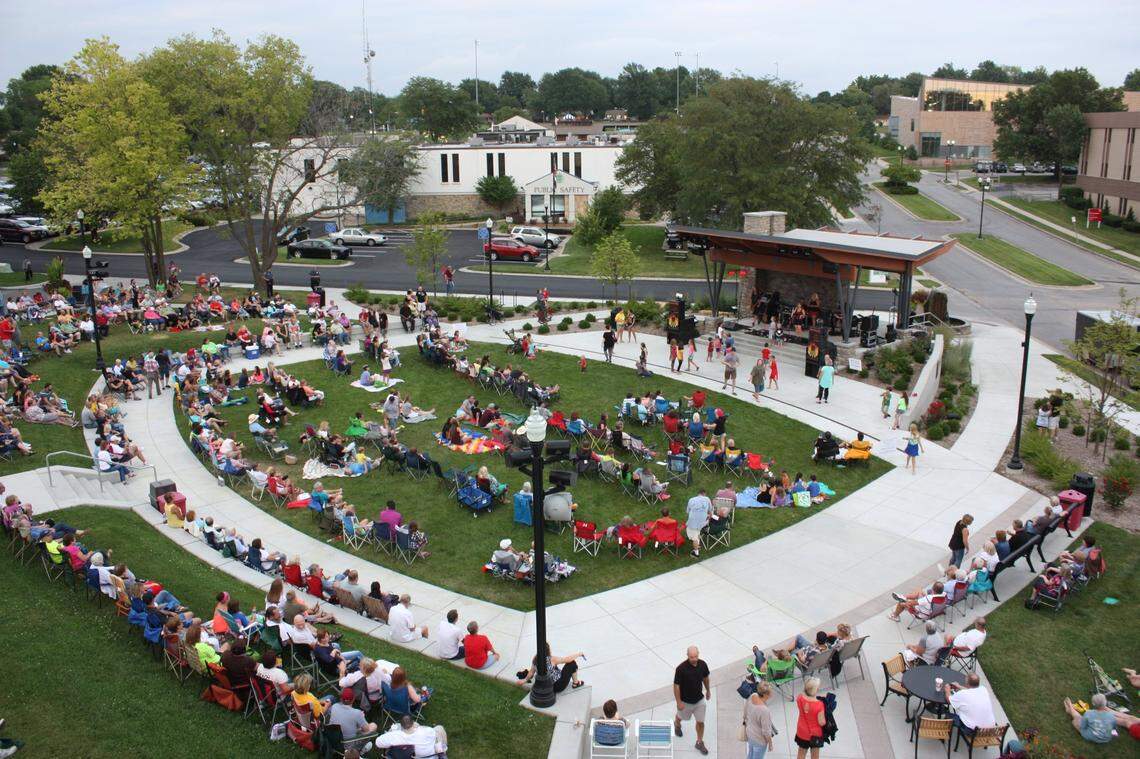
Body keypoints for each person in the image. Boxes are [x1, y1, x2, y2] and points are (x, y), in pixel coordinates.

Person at [673, 646, 711, 755]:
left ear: (698, 654)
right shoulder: (681, 669)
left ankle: (699, 742)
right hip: (685, 702)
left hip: (699, 701)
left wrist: (708, 690)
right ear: (687, 656)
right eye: (691, 657)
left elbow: (705, 678)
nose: (694, 659)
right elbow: (676, 686)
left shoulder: (703, 664)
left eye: (695, 656)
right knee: (680, 717)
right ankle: (677, 724)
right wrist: (678, 702)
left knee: (700, 722)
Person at [1064, 693, 1133, 743]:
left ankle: (1070, 708)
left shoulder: (1089, 713)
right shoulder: (1111, 716)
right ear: (1105, 703)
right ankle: (1070, 709)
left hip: (1090, 736)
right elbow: (1114, 728)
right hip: (1106, 739)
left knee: (1076, 721)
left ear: (1093, 704)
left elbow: (1082, 726)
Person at [516, 642, 584, 693]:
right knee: (572, 663)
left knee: (557, 669)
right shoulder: (552, 659)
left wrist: (524, 680)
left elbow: (531, 672)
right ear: (548, 650)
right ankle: (576, 683)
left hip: (546, 686)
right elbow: (567, 659)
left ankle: (575, 682)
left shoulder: (535, 659)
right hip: (558, 686)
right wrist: (579, 654)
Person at [944, 673, 996, 737]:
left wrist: (947, 690)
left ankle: (944, 735)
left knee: (948, 715)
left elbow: (949, 700)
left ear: (967, 683)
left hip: (973, 731)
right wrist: (959, 686)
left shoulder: (963, 694)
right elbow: (971, 691)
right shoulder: (983, 689)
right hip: (989, 729)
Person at [372, 715, 449, 758]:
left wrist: (390, 732)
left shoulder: (394, 735)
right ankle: (443, 753)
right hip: (427, 756)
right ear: (413, 723)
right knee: (439, 728)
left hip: (402, 756)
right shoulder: (427, 731)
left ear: (401, 726)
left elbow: (378, 742)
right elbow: (434, 735)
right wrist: (419, 726)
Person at [794, 677, 826, 759]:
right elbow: (821, 722)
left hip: (802, 731)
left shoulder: (800, 698)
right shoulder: (819, 705)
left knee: (801, 754)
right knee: (815, 756)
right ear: (816, 690)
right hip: (815, 734)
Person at [745, 680, 776, 759]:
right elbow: (766, 731)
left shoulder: (753, 695)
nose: (772, 694)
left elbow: (745, 711)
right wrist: (770, 743)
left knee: (750, 754)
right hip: (759, 740)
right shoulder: (764, 710)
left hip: (750, 733)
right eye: (770, 692)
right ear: (766, 695)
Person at [685, 489, 711, 558]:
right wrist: (707, 518)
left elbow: (687, 512)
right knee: (697, 532)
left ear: (698, 494)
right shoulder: (707, 499)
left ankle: (696, 553)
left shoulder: (691, 500)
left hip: (693, 522)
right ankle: (698, 545)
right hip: (703, 522)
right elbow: (710, 511)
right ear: (704, 494)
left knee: (694, 538)